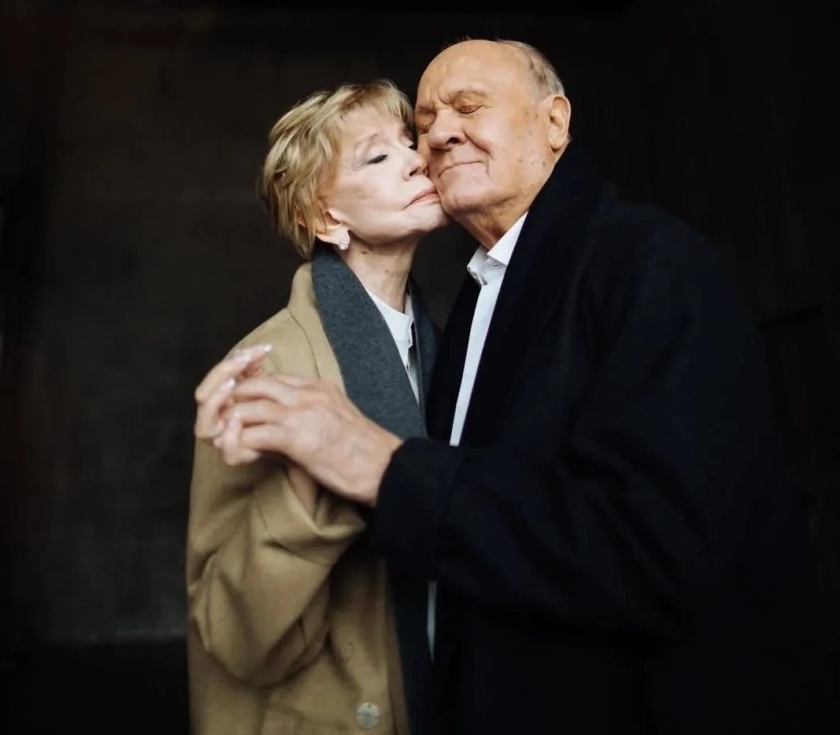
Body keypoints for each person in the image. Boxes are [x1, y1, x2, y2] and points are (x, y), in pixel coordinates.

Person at [216, 38, 838, 735]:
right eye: (425, 123)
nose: (436, 137)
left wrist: (389, 469)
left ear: (555, 123)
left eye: (468, 106)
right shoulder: (471, 307)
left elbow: (663, 548)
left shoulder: (650, 261)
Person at [187, 79, 445, 735]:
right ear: (328, 220)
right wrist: (312, 482)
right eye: (377, 156)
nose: (416, 160)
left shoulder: (448, 346)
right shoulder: (267, 365)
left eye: (408, 142)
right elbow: (234, 636)